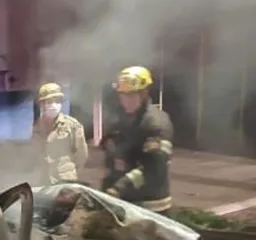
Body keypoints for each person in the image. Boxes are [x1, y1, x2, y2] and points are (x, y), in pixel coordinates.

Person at [101, 66, 174, 214]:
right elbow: (113, 157)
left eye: (131, 96)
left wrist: (119, 187)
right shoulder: (119, 120)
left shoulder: (156, 122)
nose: (126, 101)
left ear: (144, 94)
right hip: (125, 202)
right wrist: (106, 187)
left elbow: (153, 168)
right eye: (123, 95)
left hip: (151, 206)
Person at [33, 83, 88, 184]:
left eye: (57, 101)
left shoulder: (72, 125)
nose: (54, 105)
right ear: (42, 104)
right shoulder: (37, 127)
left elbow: (82, 154)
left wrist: (70, 171)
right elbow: (35, 153)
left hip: (66, 180)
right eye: (49, 102)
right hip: (44, 181)